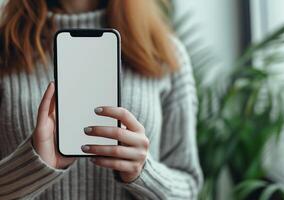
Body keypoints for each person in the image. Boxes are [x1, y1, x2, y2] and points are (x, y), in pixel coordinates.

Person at [0, 0, 203, 199]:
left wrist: (144, 172)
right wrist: (31, 166)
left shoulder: (164, 52)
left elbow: (188, 188)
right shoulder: (4, 50)